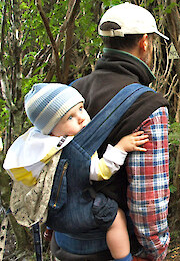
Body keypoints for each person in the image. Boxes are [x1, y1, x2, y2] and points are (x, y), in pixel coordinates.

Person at [52, 2, 170, 261]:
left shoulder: (71, 93)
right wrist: (155, 250)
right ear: (145, 43)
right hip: (113, 248)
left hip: (63, 241)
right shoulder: (149, 106)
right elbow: (147, 200)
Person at [4, 83, 150, 261]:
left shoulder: (40, 150)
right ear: (51, 130)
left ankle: (49, 231)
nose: (81, 118)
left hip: (55, 215)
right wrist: (121, 147)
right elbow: (101, 171)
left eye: (81, 109)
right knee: (116, 218)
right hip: (78, 213)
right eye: (70, 118)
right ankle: (124, 258)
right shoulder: (77, 148)